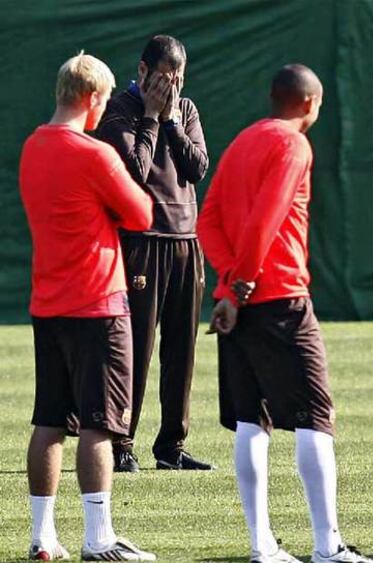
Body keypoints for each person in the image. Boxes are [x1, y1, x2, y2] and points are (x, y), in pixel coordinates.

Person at [197, 65, 373, 563]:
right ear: (309, 103)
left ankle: (262, 546)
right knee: (316, 419)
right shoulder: (294, 144)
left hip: (236, 304)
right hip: (277, 299)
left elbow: (206, 220)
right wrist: (240, 285)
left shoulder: (242, 141)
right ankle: (327, 546)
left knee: (251, 423)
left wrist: (229, 284)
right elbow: (267, 217)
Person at [20, 52, 157, 561]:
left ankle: (41, 536)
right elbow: (141, 212)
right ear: (94, 98)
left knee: (50, 420)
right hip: (97, 303)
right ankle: (98, 537)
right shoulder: (93, 153)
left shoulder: (32, 146)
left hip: (48, 303)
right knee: (101, 423)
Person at [96, 34, 213, 472]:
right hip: (142, 242)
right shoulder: (119, 111)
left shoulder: (185, 110)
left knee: (181, 349)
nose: (171, 89)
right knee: (137, 347)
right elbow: (136, 172)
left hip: (186, 241)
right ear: (143, 72)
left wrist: (171, 121)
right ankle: (121, 443)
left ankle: (171, 446)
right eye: (164, 78)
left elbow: (197, 167)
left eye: (178, 79)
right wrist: (150, 116)